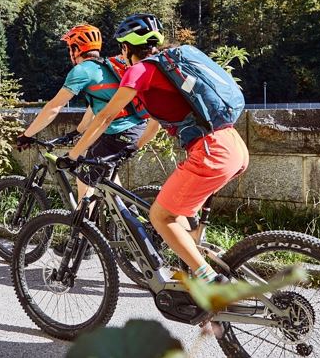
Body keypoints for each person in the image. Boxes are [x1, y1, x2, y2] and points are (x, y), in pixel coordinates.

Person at [62, 14, 249, 282]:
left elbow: (104, 117)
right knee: (180, 215)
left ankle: (210, 281)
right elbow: (154, 122)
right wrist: (136, 144)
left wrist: (73, 155)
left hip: (210, 152)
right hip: (232, 143)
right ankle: (196, 261)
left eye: (121, 48)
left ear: (126, 48)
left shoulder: (140, 71)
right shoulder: (169, 66)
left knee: (159, 216)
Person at [16, 24, 149, 201]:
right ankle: (125, 220)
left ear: (76, 49)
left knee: (84, 179)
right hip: (136, 128)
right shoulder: (104, 67)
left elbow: (54, 107)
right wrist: (77, 132)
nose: (69, 52)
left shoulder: (81, 70)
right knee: (104, 176)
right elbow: (97, 106)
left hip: (119, 132)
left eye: (70, 47)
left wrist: (26, 135)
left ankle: (83, 225)